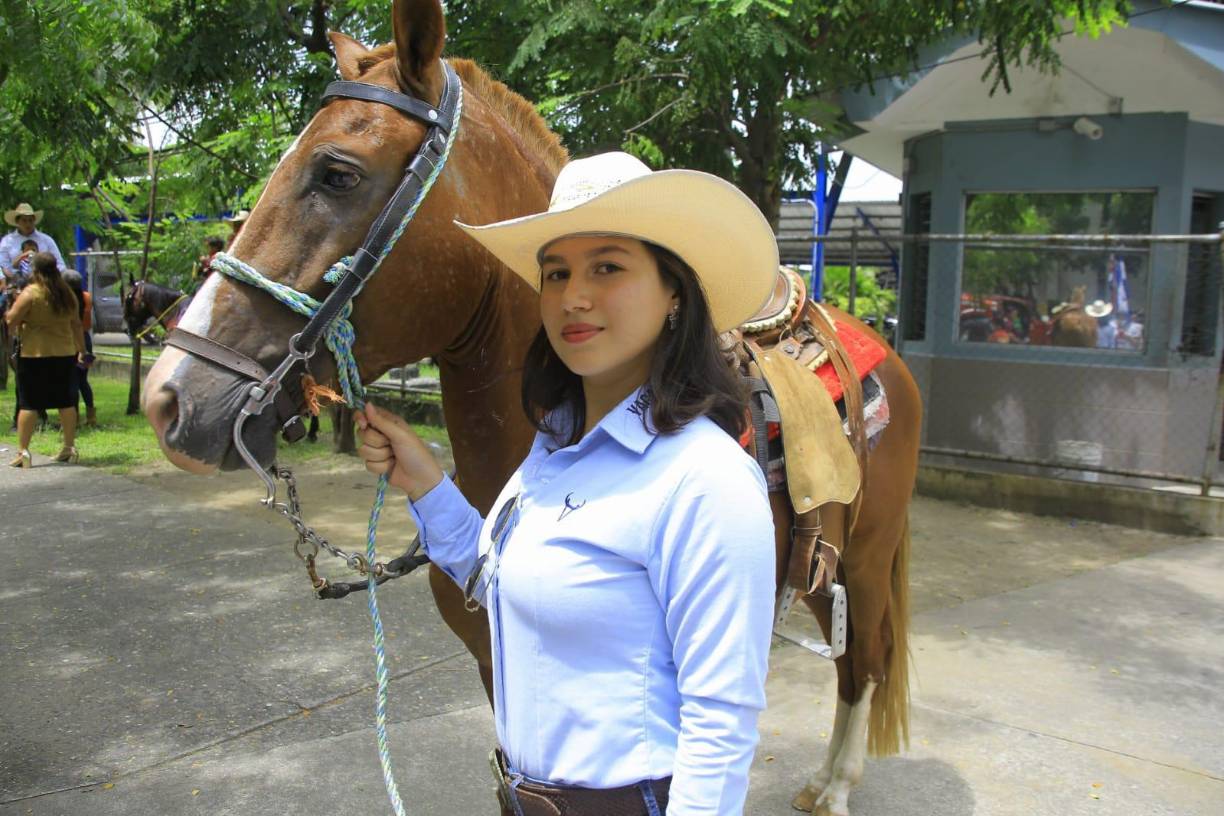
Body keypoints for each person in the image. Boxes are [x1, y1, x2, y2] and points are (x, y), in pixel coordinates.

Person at [356, 152, 777, 816]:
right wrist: (428, 484)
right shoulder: (556, 445)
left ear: (674, 295)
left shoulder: (705, 480)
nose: (572, 296)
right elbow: (506, 584)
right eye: (556, 272)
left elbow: (720, 724)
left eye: (607, 267)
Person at [5, 252, 86, 467]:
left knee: (28, 404)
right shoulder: (67, 293)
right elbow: (77, 324)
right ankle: (69, 447)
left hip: (34, 354)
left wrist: (17, 322)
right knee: (66, 402)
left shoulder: (31, 293)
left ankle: (24, 452)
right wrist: (82, 349)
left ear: (35, 271)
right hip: (64, 353)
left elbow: (11, 320)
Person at [62, 270, 97, 427]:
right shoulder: (87, 297)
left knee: (71, 382)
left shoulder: (65, 301)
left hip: (70, 340)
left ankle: (73, 418)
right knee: (83, 380)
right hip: (86, 340)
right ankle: (91, 416)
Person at [0, 202, 67, 275]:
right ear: (17, 221)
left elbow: (59, 264)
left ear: (34, 221)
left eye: (30, 220)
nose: (28, 224)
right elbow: (3, 265)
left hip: (44, 278)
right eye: (24, 220)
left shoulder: (46, 240)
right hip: (16, 280)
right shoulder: (7, 241)